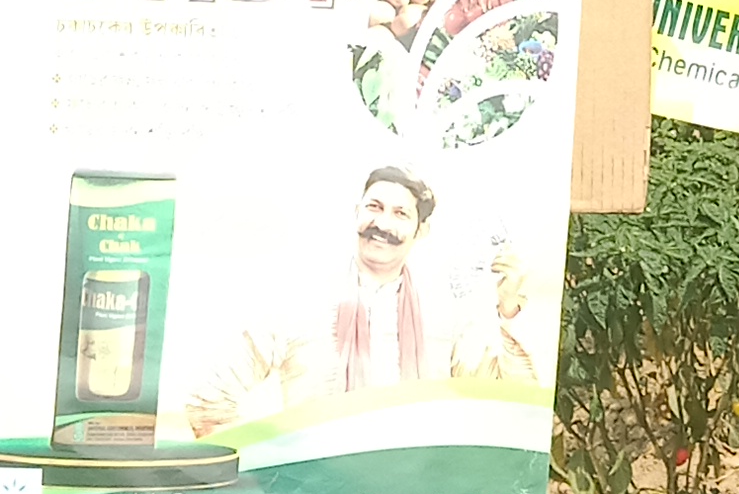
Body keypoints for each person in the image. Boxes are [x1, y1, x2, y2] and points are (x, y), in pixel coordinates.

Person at [188, 168, 524, 430]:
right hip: (317, 490)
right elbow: (209, 400)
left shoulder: (443, 311)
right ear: (356, 213)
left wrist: (507, 313)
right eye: (374, 208)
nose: (382, 224)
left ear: (421, 231)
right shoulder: (301, 301)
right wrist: (271, 475)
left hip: (417, 489)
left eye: (401, 214)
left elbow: (503, 409)